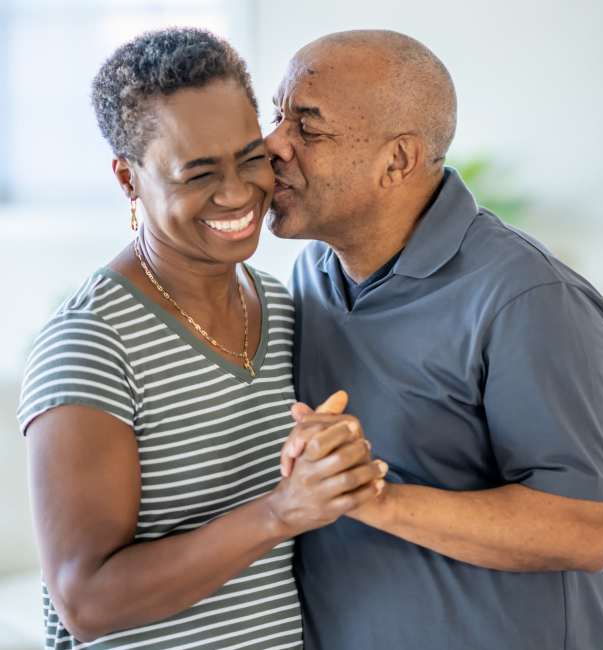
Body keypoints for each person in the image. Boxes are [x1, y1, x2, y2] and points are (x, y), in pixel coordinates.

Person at [17, 27, 384, 649]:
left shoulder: (279, 304)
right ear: (129, 181)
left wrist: (328, 462)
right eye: (198, 173)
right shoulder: (90, 341)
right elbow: (85, 600)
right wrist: (279, 512)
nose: (238, 192)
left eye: (249, 157)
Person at [270, 30, 603, 650]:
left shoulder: (531, 298)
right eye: (276, 115)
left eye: (308, 127)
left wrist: (370, 496)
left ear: (399, 160)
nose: (272, 144)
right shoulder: (313, 274)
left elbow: (579, 529)